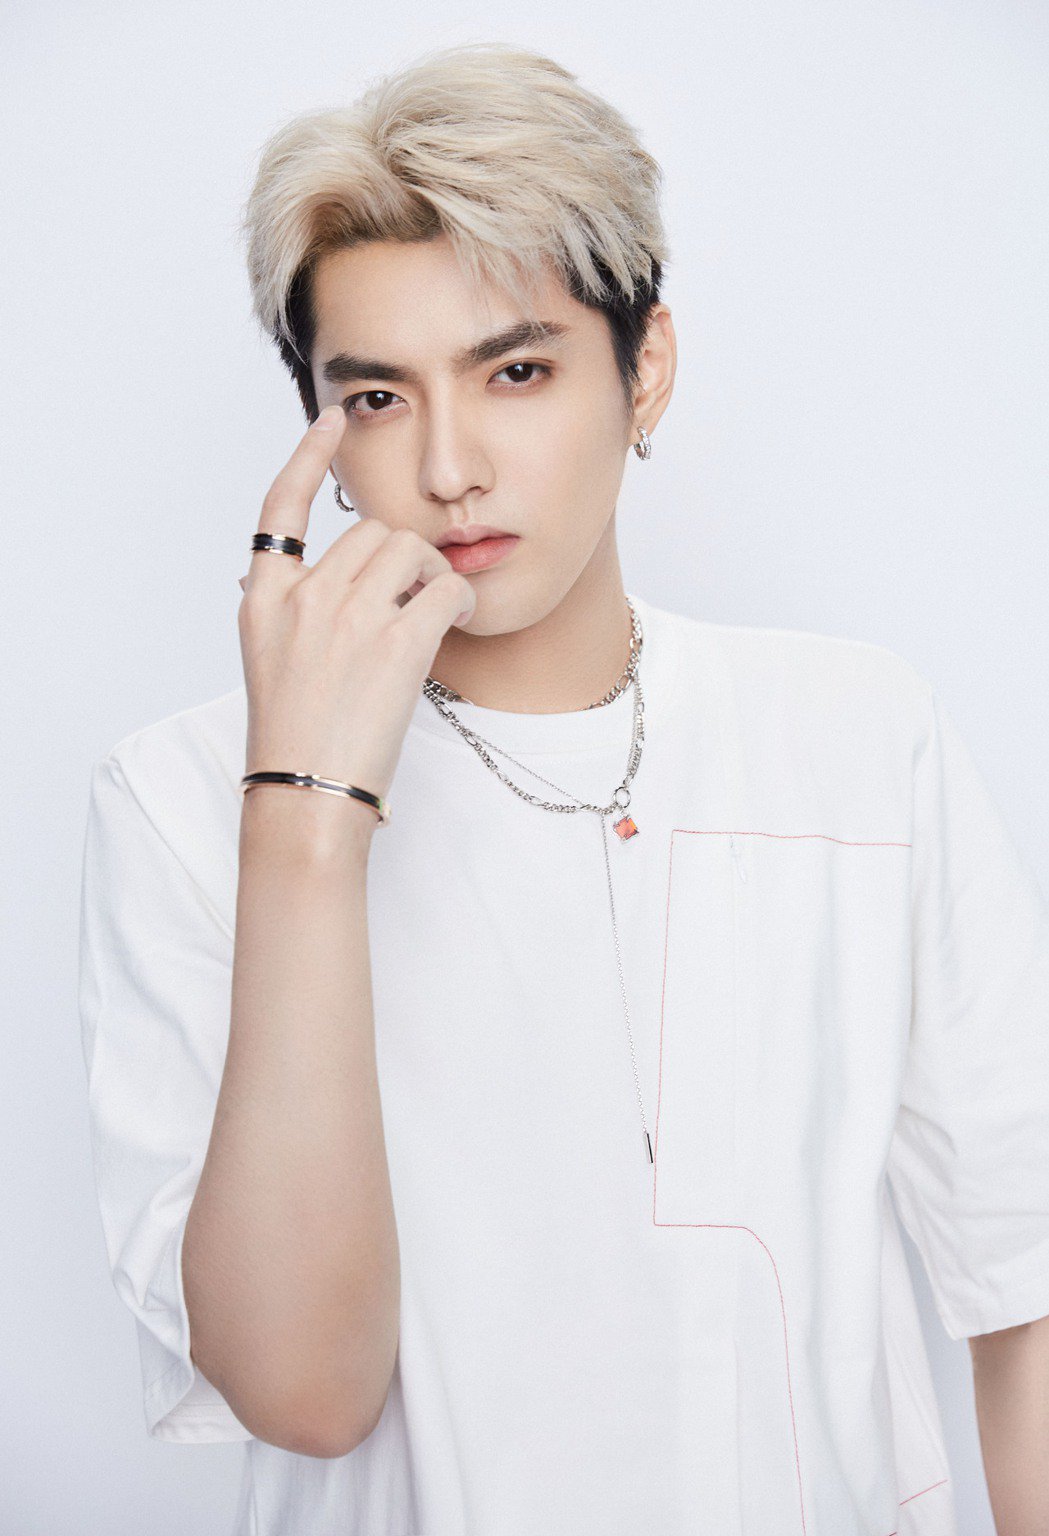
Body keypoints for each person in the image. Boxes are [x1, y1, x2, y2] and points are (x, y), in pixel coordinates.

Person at [77, 41, 1049, 1536]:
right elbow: (306, 1393)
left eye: (515, 371)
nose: (451, 466)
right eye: (378, 397)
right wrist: (304, 818)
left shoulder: (858, 735)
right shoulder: (183, 797)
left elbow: (1020, 1280)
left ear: (641, 368)